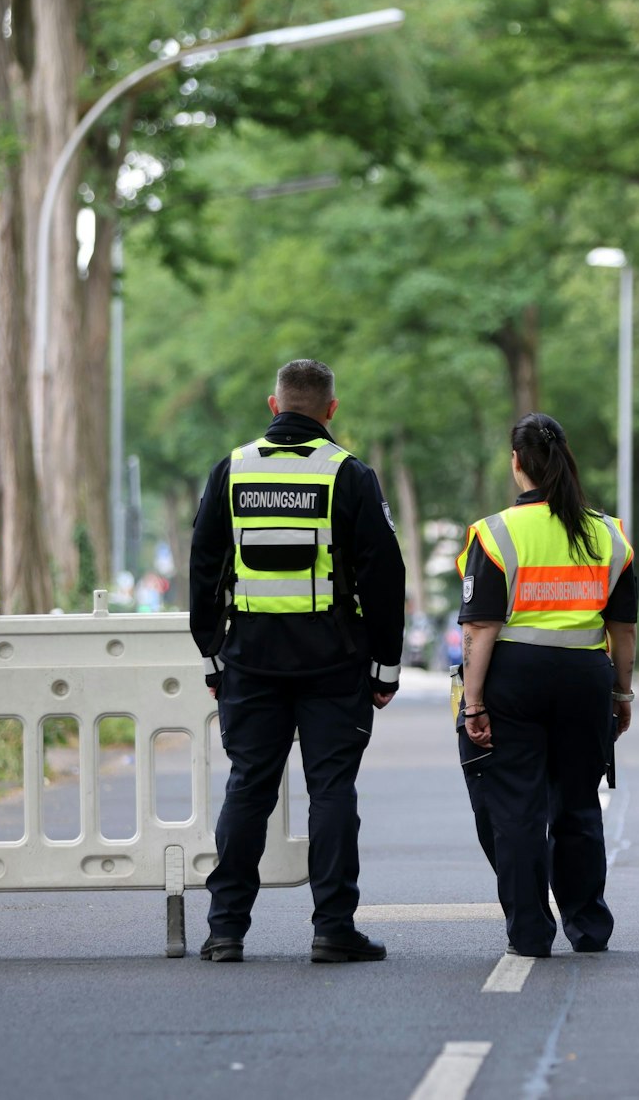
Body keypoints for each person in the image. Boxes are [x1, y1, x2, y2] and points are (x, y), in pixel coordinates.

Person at [188, 359, 406, 963]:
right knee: (332, 789)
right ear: (330, 409)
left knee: (248, 789)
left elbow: (203, 566)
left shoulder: (231, 470)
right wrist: (386, 667)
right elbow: (386, 576)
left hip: (250, 660)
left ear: (273, 404)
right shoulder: (349, 475)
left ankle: (225, 929)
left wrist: (211, 655)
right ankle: (333, 928)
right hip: (333, 660)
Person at [455, 412, 637, 957]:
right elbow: (622, 628)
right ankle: (588, 926)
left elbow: (480, 628)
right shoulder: (608, 534)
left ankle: (530, 933)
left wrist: (473, 702)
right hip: (584, 678)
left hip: (513, 679)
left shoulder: (494, 535)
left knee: (514, 809)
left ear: (517, 464)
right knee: (578, 803)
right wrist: (621, 694)